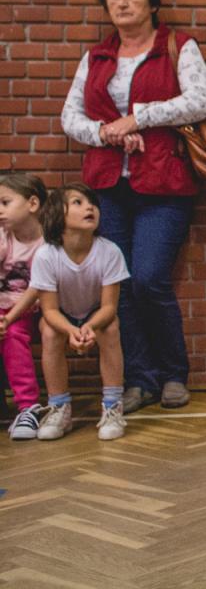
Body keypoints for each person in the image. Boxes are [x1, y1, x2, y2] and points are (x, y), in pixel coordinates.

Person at [61, 0, 206, 414]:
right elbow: (70, 117)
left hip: (164, 185)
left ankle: (173, 374)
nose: (122, 3)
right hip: (107, 188)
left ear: (152, 2)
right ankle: (139, 380)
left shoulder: (178, 46)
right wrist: (105, 132)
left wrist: (138, 118)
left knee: (149, 279)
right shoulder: (96, 57)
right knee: (118, 287)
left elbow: (201, 100)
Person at [30, 184, 131, 441]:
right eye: (78, 202)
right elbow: (49, 310)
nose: (90, 207)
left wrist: (89, 327)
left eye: (92, 203)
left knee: (111, 328)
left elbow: (109, 307)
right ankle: (59, 407)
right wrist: (70, 330)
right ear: (57, 214)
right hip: (61, 316)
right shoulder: (45, 255)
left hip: (96, 315)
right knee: (49, 331)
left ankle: (112, 407)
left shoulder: (110, 251)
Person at [1, 173, 47, 440]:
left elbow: (38, 289)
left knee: (13, 334)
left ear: (32, 204)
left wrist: (8, 319)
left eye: (5, 203)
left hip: (31, 308)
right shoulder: (3, 236)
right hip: (3, 308)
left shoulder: (48, 242)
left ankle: (28, 407)